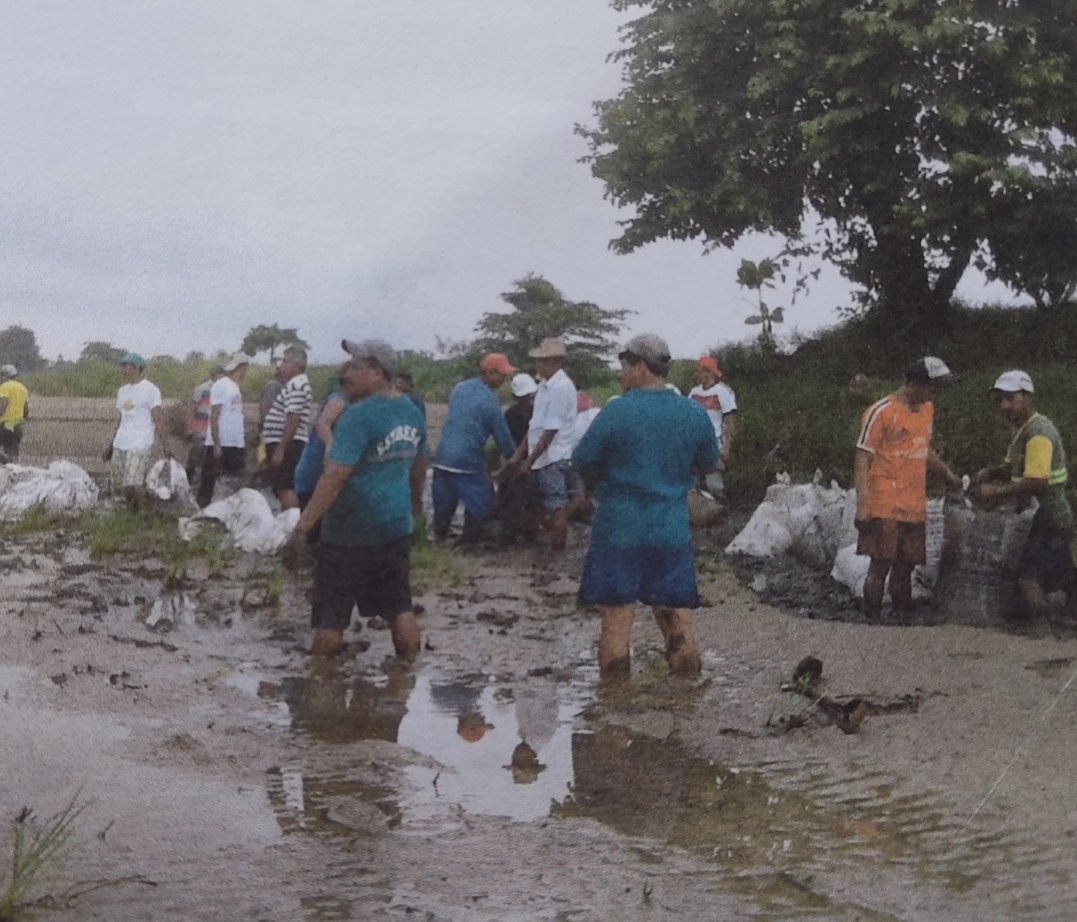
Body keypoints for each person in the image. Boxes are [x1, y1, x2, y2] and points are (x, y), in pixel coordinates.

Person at [572, 334, 717, 678]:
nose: (620, 375)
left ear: (639, 366)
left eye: (623, 366)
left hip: (619, 531)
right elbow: (708, 463)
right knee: (678, 626)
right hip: (670, 532)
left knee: (617, 626)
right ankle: (686, 705)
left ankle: (614, 712)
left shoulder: (617, 411)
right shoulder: (693, 414)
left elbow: (582, 460)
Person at [288, 339, 427, 660]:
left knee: (331, 619)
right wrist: (415, 514)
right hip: (394, 528)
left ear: (377, 372)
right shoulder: (411, 411)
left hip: (350, 532)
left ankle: (318, 688)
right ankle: (406, 678)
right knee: (400, 608)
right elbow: (419, 470)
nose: (345, 374)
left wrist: (303, 528)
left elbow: (335, 476)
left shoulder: (357, 416)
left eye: (355, 367)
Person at [854, 357, 962, 620]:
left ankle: (903, 618)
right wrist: (864, 505)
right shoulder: (881, 411)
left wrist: (949, 475)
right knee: (880, 565)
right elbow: (862, 457)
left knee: (906, 566)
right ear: (913, 383)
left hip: (913, 502)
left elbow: (923, 449)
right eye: (932, 388)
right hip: (884, 500)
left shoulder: (927, 409)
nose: (934, 395)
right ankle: (871, 618)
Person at [971, 370, 1074, 618]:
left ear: (1028, 398)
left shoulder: (1038, 434)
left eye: (1010, 398)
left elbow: (1036, 482)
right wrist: (991, 472)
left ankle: (1042, 634)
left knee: (1029, 580)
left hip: (1052, 519)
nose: (1004, 406)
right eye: (999, 400)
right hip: (1051, 517)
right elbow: (1013, 465)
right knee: (1065, 576)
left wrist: (995, 492)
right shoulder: (1024, 430)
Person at [431, 353, 518, 543]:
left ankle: (439, 538)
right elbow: (502, 437)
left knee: (443, 503)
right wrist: (513, 458)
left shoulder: (460, 389)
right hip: (467, 460)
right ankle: (470, 540)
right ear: (490, 372)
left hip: (442, 457)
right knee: (481, 501)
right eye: (502, 375)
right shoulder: (490, 402)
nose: (505, 379)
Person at [512, 338, 579, 551]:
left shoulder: (561, 388)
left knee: (556, 506)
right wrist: (520, 455)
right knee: (540, 503)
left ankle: (557, 553)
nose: (538, 365)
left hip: (553, 456)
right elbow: (535, 427)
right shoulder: (544, 386)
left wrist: (529, 460)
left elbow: (551, 430)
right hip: (543, 456)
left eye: (542, 361)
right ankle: (541, 546)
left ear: (555, 362)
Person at [103, 353, 164, 501]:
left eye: (126, 366)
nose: (123, 370)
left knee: (132, 484)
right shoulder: (122, 391)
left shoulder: (150, 390)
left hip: (140, 443)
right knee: (117, 484)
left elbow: (157, 418)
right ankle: (122, 513)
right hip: (121, 442)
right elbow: (121, 419)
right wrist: (111, 445)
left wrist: (165, 446)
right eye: (122, 366)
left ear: (137, 368)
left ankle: (143, 512)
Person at [259, 346, 313, 509]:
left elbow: (293, 418)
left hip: (289, 445)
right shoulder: (295, 384)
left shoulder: (297, 385)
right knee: (282, 487)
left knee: (285, 488)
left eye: (285, 361)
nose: (281, 365)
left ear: (295, 365)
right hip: (286, 443)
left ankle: (291, 526)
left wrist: (281, 449)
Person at [198, 352, 251, 507]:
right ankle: (204, 510)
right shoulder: (222, 385)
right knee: (210, 480)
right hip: (222, 442)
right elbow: (215, 414)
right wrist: (216, 443)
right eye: (246, 369)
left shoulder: (235, 387)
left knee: (232, 480)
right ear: (241, 368)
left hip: (235, 443)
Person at [688, 355, 737, 495]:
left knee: (714, 486)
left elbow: (730, 421)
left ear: (709, 372)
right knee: (693, 486)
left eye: (700, 371)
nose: (697, 375)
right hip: (695, 446)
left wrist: (727, 449)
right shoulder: (694, 393)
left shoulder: (722, 392)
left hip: (714, 445)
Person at [186, 365, 224, 483]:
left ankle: (205, 482)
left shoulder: (225, 390)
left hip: (214, 429)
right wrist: (189, 427)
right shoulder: (202, 389)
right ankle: (188, 480)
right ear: (213, 376)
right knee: (195, 456)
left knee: (211, 458)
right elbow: (192, 408)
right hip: (201, 427)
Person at [0, 365, 30, 463]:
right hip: (18, 426)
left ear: (5, 375)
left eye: (1, 375)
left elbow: (2, 404)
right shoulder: (23, 388)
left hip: (6, 425)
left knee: (6, 452)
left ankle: (5, 462)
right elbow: (26, 410)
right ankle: (13, 471)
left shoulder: (5, 386)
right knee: (13, 452)